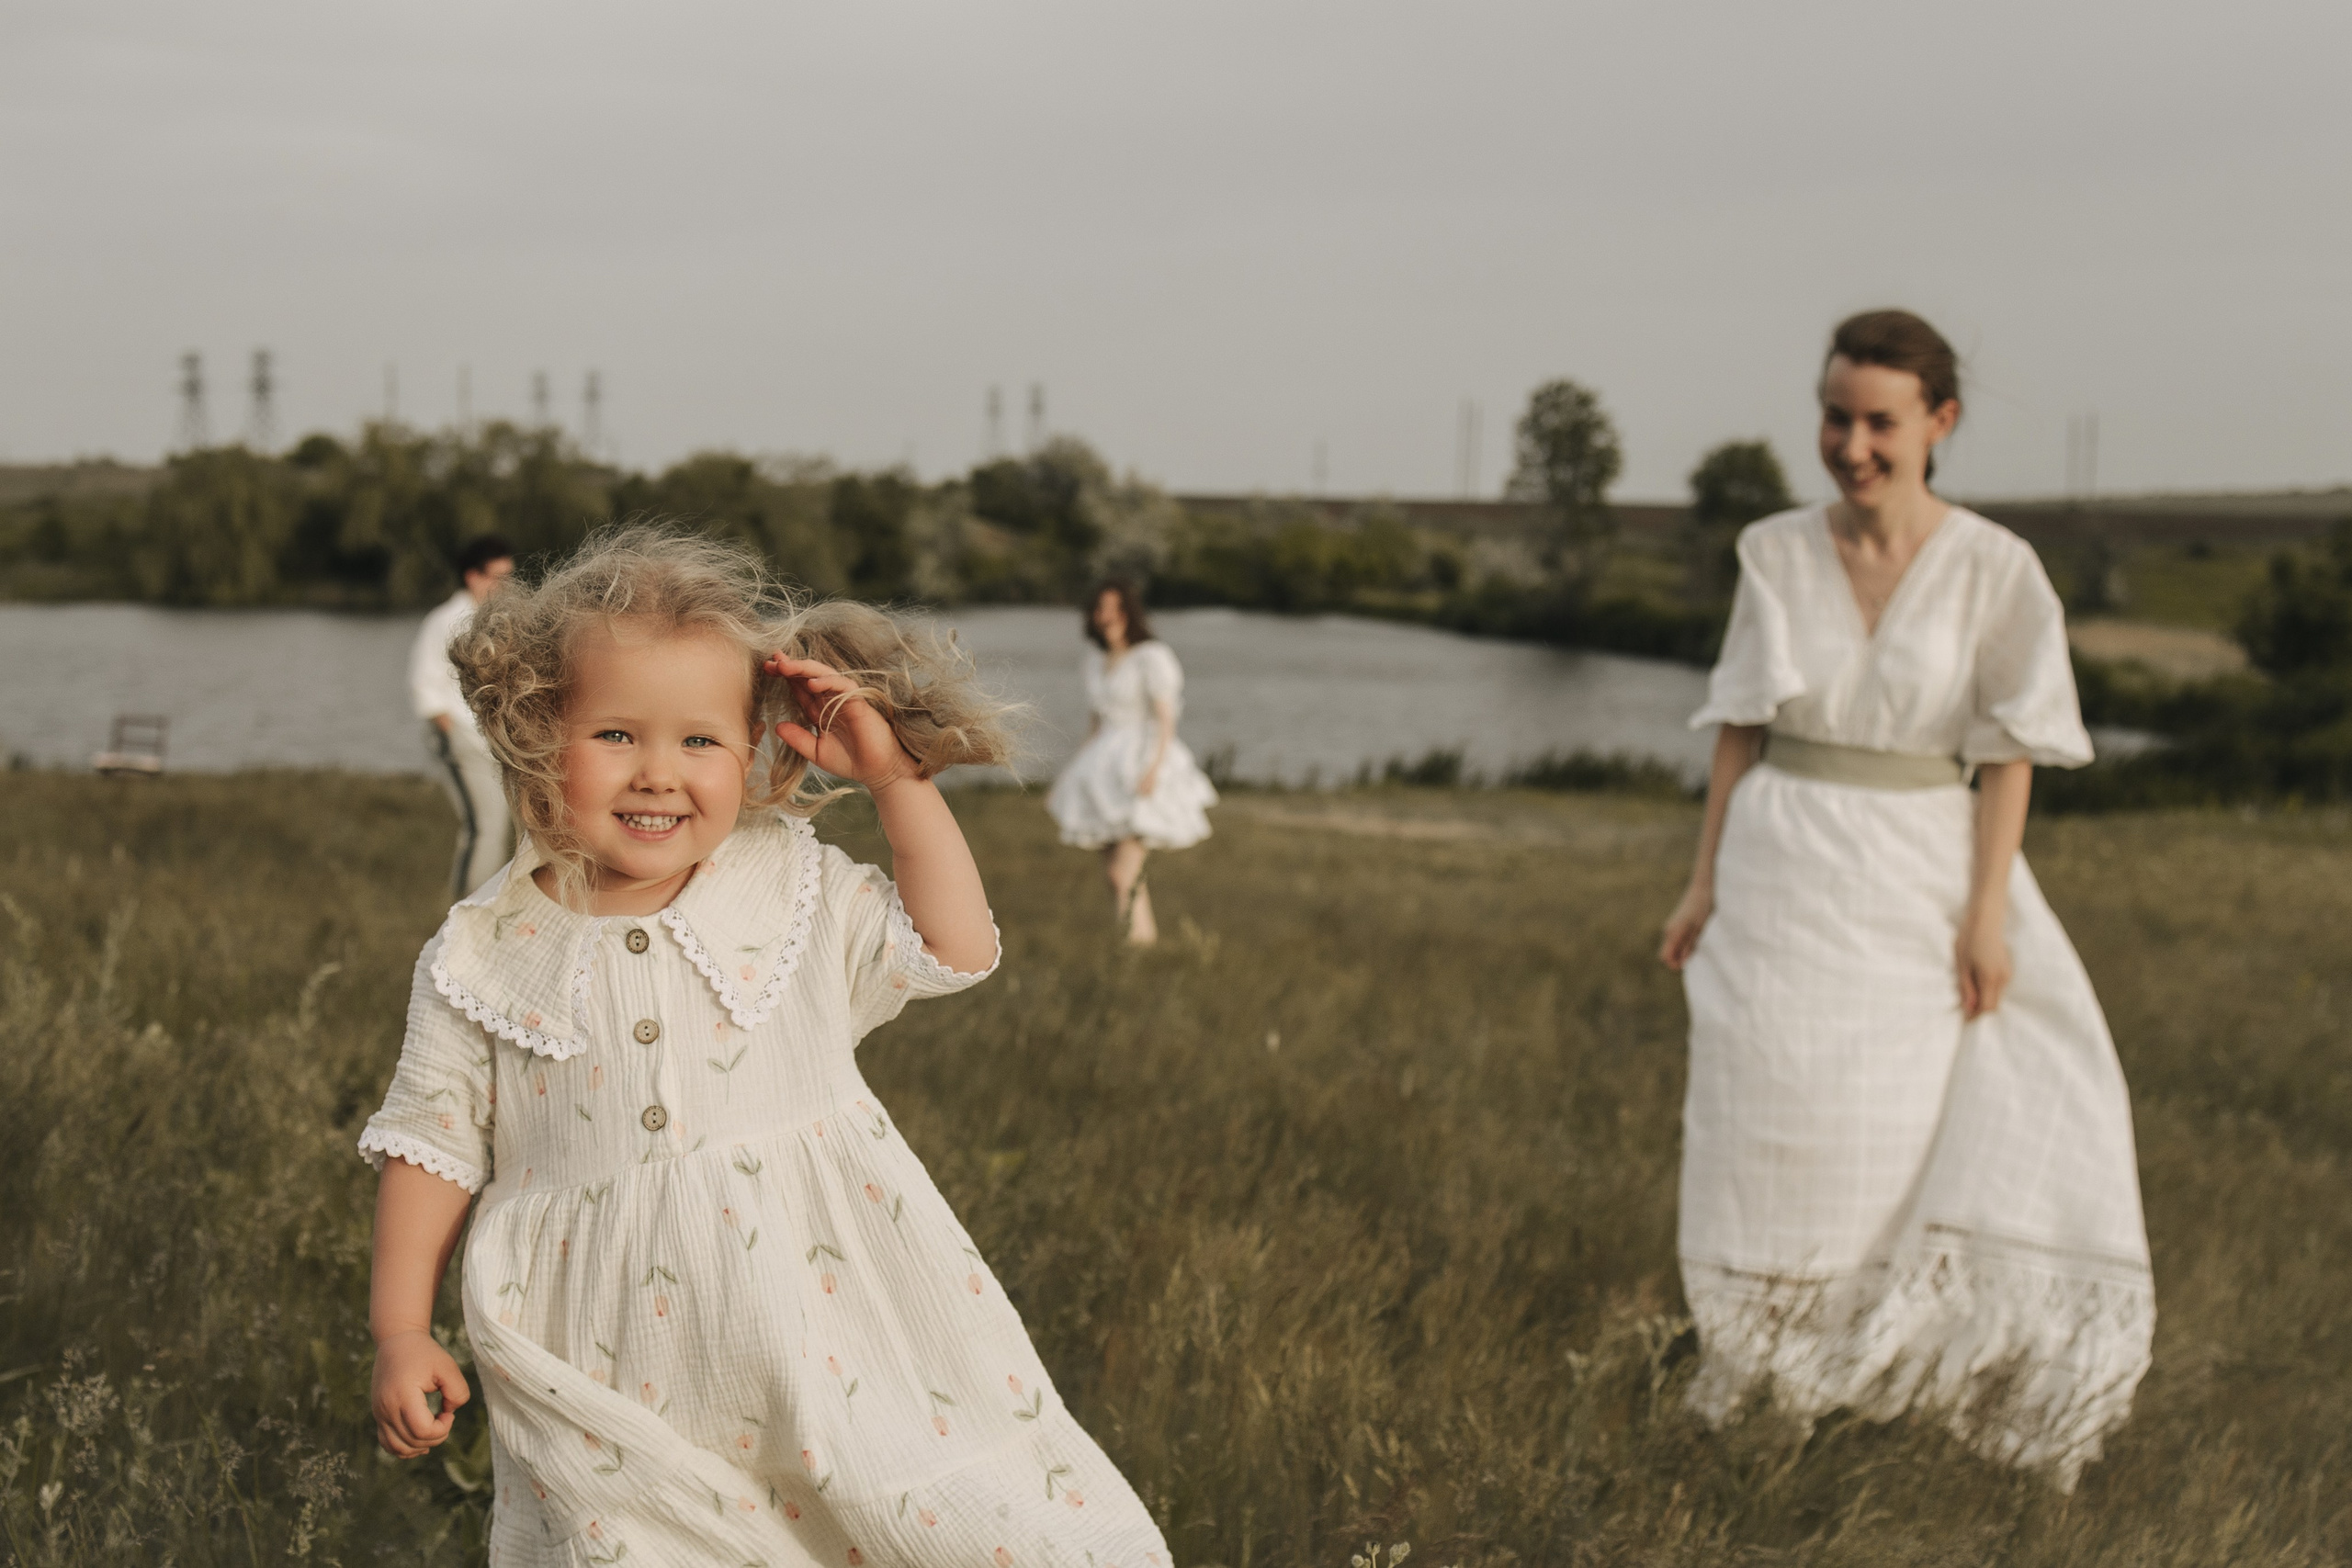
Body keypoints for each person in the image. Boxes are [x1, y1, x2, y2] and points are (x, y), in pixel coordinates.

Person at [360, 527, 1170, 1566]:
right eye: (615, 735)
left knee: (904, 1522)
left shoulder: (788, 886)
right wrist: (399, 1329)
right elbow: (429, 1146)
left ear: (753, 750)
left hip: (823, 1319)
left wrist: (896, 784)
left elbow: (953, 946)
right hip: (598, 1354)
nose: (659, 773)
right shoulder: (481, 951)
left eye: (700, 742)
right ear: (534, 734)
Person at [1657, 310, 2154, 1486]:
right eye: (1836, 414)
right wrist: (1701, 880)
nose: (1852, 442)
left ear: (1939, 423)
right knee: (1764, 1125)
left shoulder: (1996, 568)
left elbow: (2011, 752)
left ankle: (1884, 1368)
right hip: (1783, 870)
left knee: (1890, 1132)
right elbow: (1738, 731)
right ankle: (1762, 1366)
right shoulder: (1772, 552)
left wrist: (1985, 914)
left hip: (1919, 869)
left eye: (1879, 420)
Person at [1044, 581, 1217, 944]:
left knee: (1125, 871)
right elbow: (1095, 723)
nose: (1104, 615)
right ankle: (1138, 936)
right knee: (1113, 872)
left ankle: (1139, 944)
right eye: (1099, 607)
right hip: (1102, 763)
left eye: (1112, 607)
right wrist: (1071, 773)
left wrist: (1153, 768)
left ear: (1127, 611)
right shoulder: (1094, 660)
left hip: (1139, 760)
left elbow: (1166, 719)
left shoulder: (1151, 656)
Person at [411, 535, 517, 897]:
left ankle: (472, 907)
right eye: (498, 578)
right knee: (486, 825)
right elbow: (425, 687)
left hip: (488, 740)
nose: (505, 587)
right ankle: (470, 912)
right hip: (461, 737)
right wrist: (452, 734)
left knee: (489, 826)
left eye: (509, 577)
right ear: (473, 576)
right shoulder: (446, 620)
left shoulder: (496, 619)